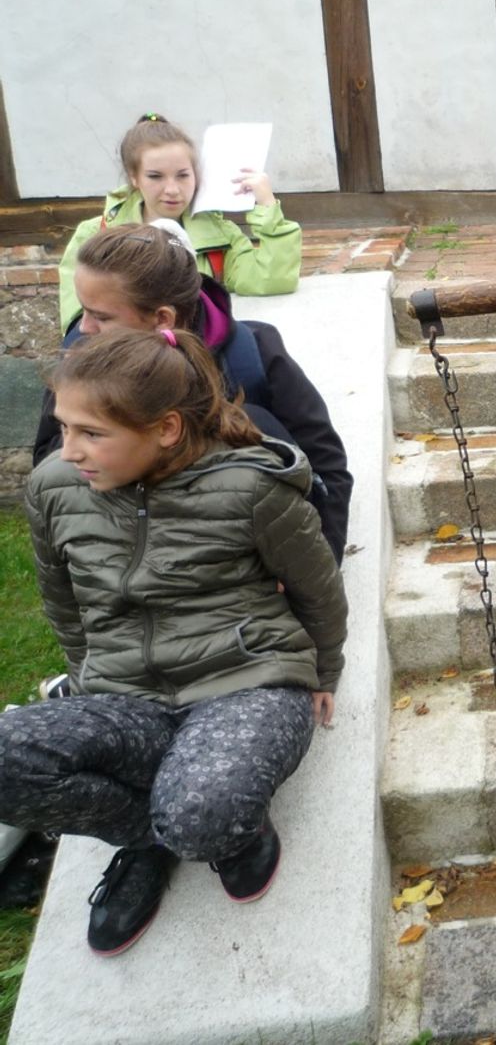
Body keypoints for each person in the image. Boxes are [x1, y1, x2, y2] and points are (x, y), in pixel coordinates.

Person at [1, 329, 348, 956]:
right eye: (65, 427)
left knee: (204, 818)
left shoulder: (251, 488)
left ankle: (220, 830)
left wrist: (323, 670)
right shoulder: (55, 487)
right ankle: (144, 837)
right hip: (125, 694)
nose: (68, 449)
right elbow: (62, 601)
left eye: (91, 433)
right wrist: (87, 681)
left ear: (165, 429)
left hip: (243, 682)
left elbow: (317, 588)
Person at [33, 222, 351, 563]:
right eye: (83, 309)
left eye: (101, 317)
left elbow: (325, 466)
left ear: (163, 318)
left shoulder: (251, 356)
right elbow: (51, 463)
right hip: (124, 562)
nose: (84, 328)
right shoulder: (81, 358)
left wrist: (318, 565)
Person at [55, 113, 301, 331]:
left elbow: (272, 279)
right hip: (121, 359)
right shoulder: (96, 235)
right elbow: (78, 323)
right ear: (134, 177)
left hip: (197, 356)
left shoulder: (219, 236)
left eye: (183, 175)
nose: (172, 189)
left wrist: (267, 206)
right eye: (155, 176)